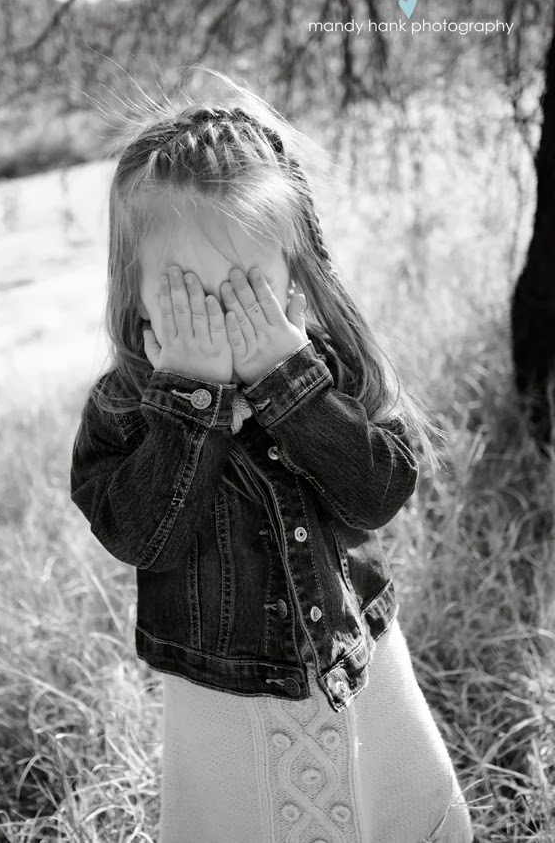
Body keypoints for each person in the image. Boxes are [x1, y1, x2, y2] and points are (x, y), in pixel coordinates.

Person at [69, 69, 475, 843]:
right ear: (135, 291)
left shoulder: (325, 367)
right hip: (225, 701)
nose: (227, 313)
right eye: (190, 289)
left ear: (294, 273)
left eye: (252, 285)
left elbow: (376, 499)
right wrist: (191, 402)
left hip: (356, 667)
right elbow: (140, 536)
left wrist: (292, 386)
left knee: (390, 811)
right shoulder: (125, 403)